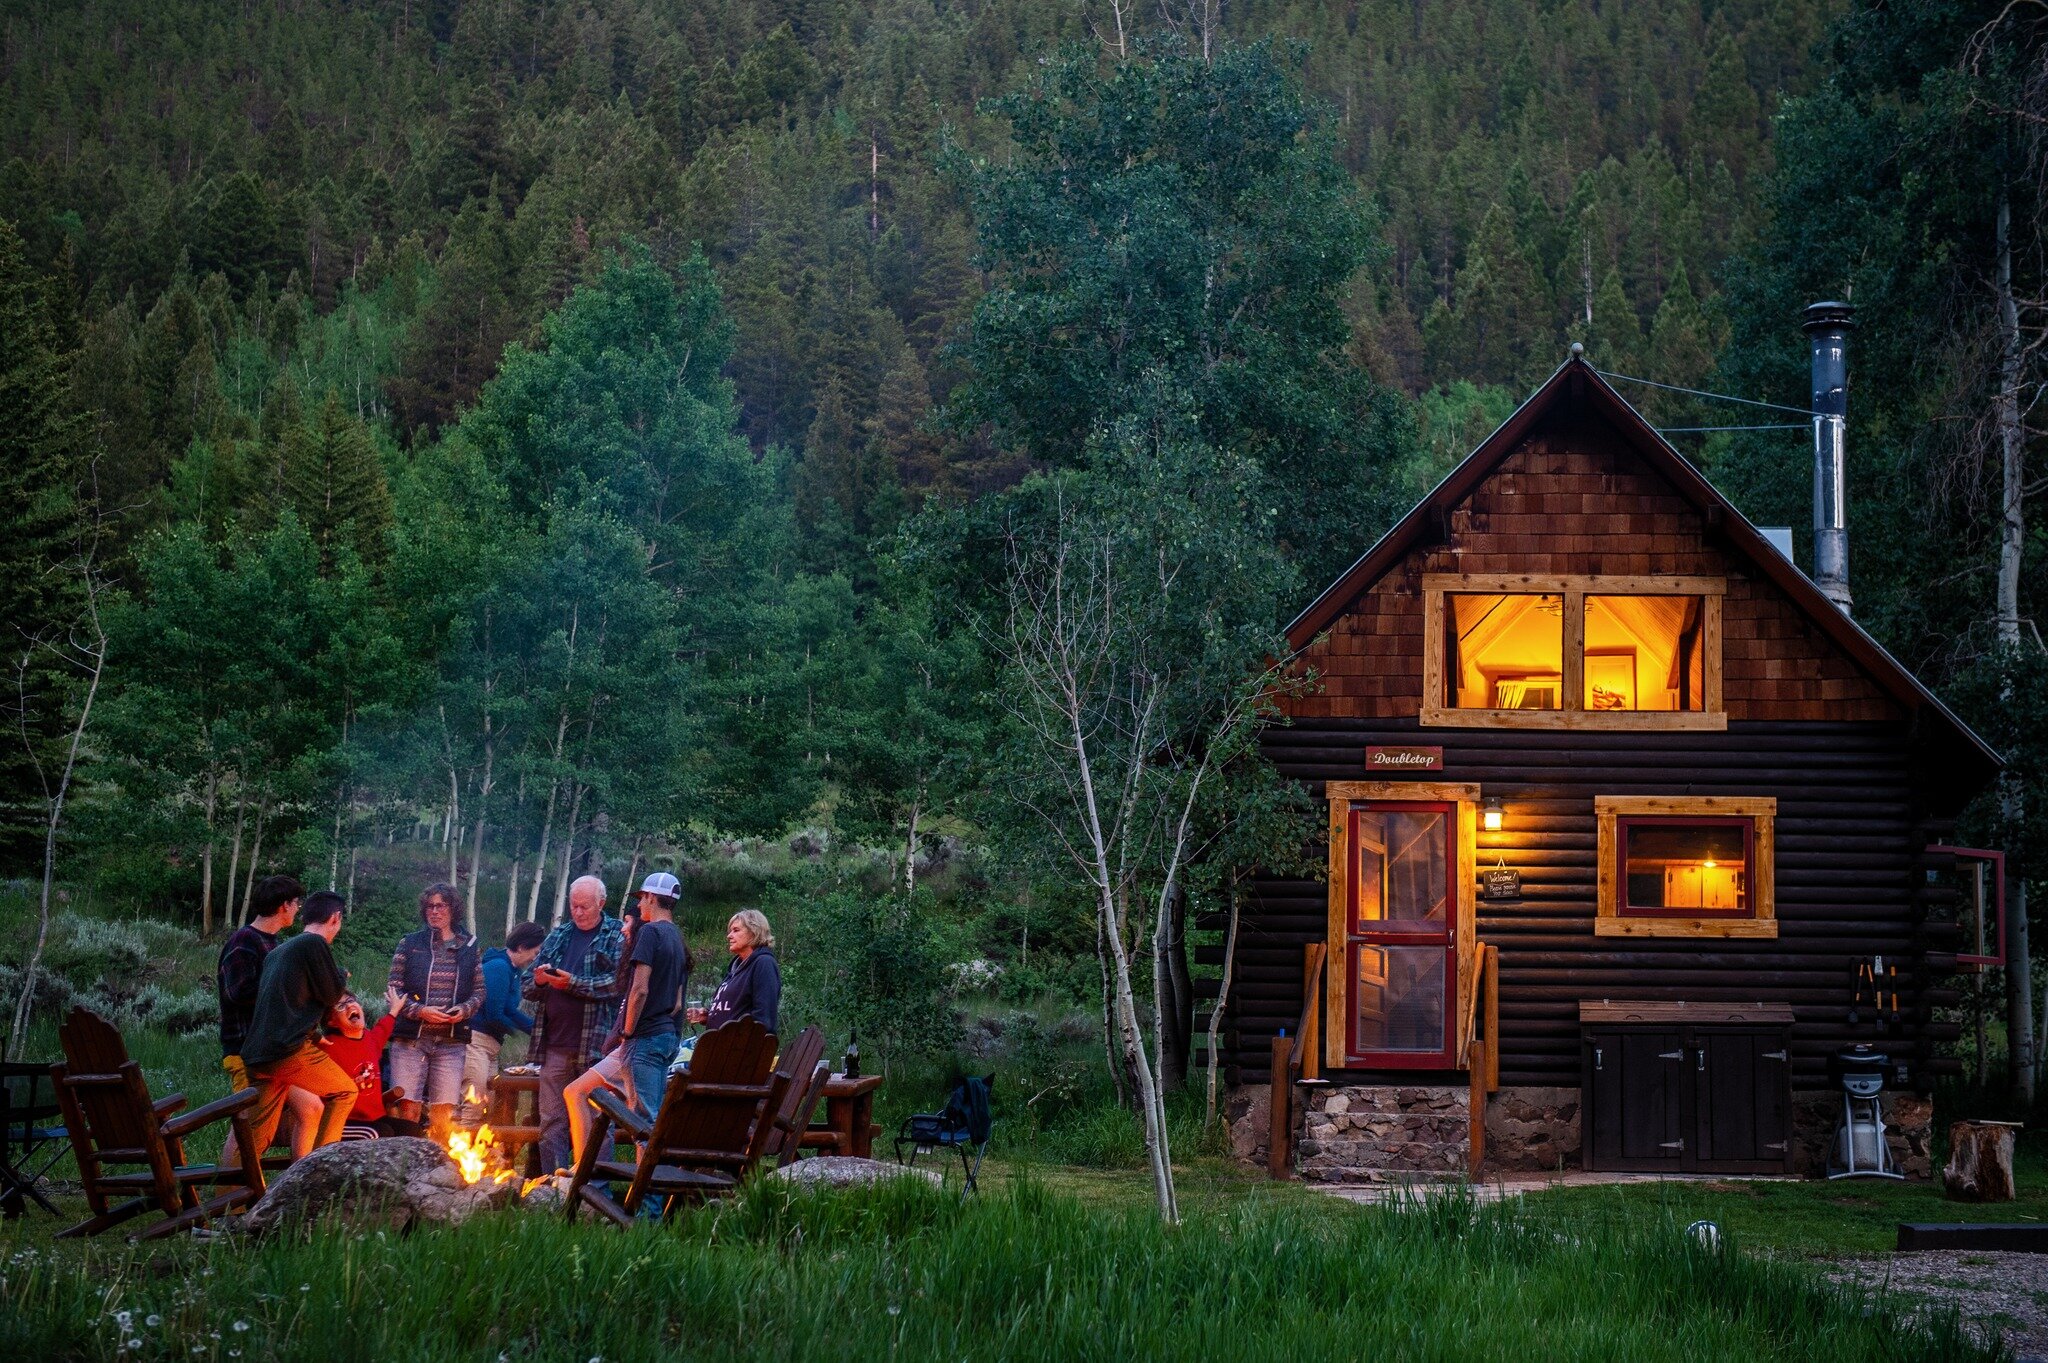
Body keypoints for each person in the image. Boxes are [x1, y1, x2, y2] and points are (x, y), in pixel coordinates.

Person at [240, 890, 357, 1157]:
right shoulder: (314, 944)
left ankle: (230, 1196)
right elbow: (330, 995)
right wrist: (340, 974)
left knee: (258, 1135)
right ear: (335, 918)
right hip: (287, 1051)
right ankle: (320, 1168)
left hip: (258, 1054)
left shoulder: (279, 951)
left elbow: (285, 1002)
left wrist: (314, 1034)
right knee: (345, 1092)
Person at [524, 875, 626, 1174]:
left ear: (601, 903)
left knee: (596, 1120)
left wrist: (573, 983)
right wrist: (542, 980)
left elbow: (618, 984)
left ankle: (596, 1188)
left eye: (584, 906)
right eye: (573, 906)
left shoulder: (617, 934)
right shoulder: (559, 935)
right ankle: (554, 1186)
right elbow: (527, 983)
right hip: (554, 1043)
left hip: (595, 1046)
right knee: (552, 1120)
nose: (578, 912)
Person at [216, 874, 320, 1163]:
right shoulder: (244, 942)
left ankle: (302, 1179)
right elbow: (238, 993)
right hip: (246, 1050)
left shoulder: (274, 946)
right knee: (248, 1125)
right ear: (284, 905)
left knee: (311, 1108)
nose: (298, 909)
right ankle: (227, 1199)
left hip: (274, 1052)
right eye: (296, 903)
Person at [386, 882, 486, 1144]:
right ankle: (405, 1167)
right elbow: (393, 990)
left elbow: (479, 992)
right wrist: (421, 1011)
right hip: (411, 1039)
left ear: (453, 908)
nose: (434, 911)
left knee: (444, 1112)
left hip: (451, 1042)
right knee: (407, 1108)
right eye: (429, 906)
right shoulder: (409, 944)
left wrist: (462, 1011)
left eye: (440, 905)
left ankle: (438, 1173)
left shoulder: (470, 946)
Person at [560, 899, 642, 1171]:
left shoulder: (647, 957)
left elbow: (646, 998)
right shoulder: (633, 961)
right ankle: (590, 1176)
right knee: (589, 1101)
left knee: (579, 1093)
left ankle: (585, 1171)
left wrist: (626, 1033)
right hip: (626, 1046)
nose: (623, 929)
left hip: (636, 1046)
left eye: (628, 922)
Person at [614, 872, 690, 1125]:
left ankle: (646, 1167)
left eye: (642, 898)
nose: (638, 905)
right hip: (667, 1036)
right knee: (654, 1117)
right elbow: (678, 1002)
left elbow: (639, 990)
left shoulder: (650, 933)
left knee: (642, 1121)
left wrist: (627, 1032)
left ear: (652, 898)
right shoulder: (677, 937)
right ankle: (653, 1166)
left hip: (644, 1037)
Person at [459, 921, 545, 1126]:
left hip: (490, 1046)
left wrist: (538, 1030)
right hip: (475, 1041)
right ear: (522, 947)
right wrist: (515, 1032)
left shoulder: (512, 971)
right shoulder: (498, 967)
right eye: (535, 951)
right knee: (474, 1102)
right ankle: (453, 1155)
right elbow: (494, 1014)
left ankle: (478, 1154)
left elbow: (509, 1010)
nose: (536, 956)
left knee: (489, 1103)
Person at [320, 987, 417, 1141]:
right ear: (331, 1021)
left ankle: (402, 1166)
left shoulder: (369, 1039)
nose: (349, 1006)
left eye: (351, 1001)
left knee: (412, 1132)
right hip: (344, 1122)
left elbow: (383, 1028)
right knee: (380, 1134)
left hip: (374, 1118)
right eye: (340, 1006)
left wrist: (394, 1009)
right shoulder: (327, 1046)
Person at [690, 909, 780, 1038]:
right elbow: (734, 1012)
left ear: (754, 932)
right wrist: (708, 1017)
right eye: (730, 931)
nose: (729, 936)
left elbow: (763, 1018)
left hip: (741, 1051)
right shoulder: (735, 968)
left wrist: (742, 1044)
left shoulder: (763, 963)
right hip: (720, 1047)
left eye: (736, 930)